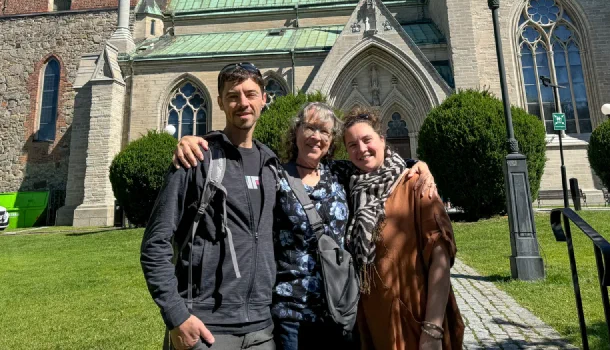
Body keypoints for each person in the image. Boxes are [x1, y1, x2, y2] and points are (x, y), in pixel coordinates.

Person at [173, 102, 437, 350]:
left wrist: (419, 166)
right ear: (296, 131)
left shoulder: (340, 173)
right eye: (309, 127)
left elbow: (378, 168)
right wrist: (195, 142)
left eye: (324, 131)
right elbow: (238, 163)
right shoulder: (274, 173)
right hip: (291, 313)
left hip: (339, 309)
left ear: (331, 140)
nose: (316, 136)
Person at [141, 63, 277, 350]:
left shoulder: (271, 166)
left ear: (264, 98)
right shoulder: (196, 160)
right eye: (233, 96)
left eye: (251, 94)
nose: (243, 103)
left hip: (262, 329)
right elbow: (155, 243)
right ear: (220, 102)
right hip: (206, 328)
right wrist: (177, 316)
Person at [341, 107, 464, 350]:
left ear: (383, 140)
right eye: (352, 145)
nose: (361, 149)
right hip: (371, 325)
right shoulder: (351, 191)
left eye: (367, 140)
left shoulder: (416, 184)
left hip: (413, 322)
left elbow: (440, 256)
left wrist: (433, 328)